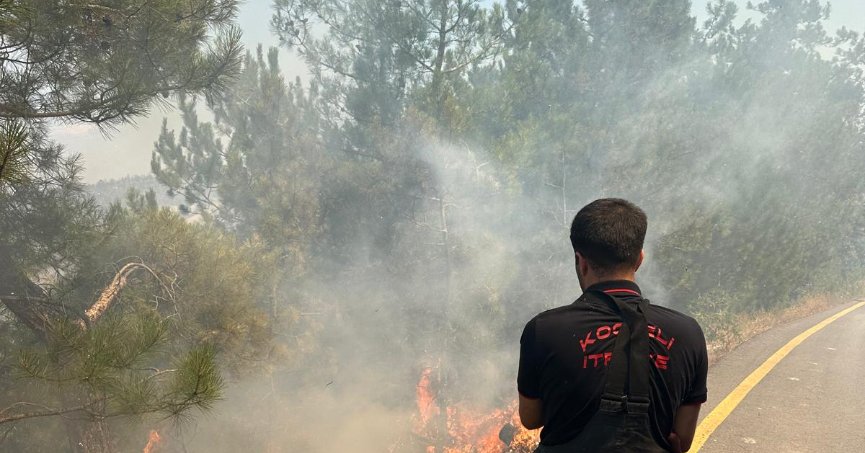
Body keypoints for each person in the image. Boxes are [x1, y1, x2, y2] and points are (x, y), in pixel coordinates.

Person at [517, 198, 708, 452]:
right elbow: (682, 440)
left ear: (581, 261)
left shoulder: (543, 330)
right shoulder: (687, 332)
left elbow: (531, 419)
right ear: (640, 259)